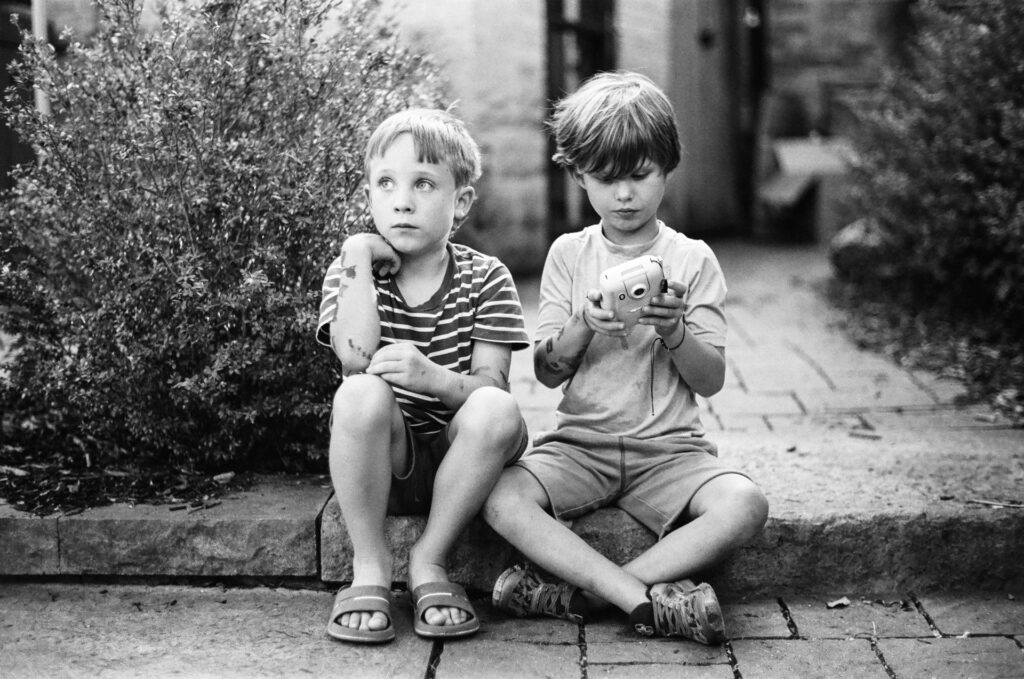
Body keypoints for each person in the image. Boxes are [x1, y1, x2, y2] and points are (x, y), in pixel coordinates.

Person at [482, 71, 769, 645]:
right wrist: (583, 326)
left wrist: (676, 333)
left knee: (746, 503)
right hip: (580, 446)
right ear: (579, 175)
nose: (625, 195)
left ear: (667, 167)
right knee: (497, 495)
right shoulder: (568, 254)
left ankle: (591, 595)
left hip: (670, 451)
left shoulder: (692, 259)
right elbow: (544, 370)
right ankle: (642, 601)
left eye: (640, 176)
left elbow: (710, 382)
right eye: (606, 179)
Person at [317, 108, 531, 643]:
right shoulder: (353, 274)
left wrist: (433, 377)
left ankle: (429, 561)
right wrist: (357, 256)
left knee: (498, 408)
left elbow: (491, 385)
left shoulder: (486, 278)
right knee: (360, 391)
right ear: (369, 197)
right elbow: (354, 357)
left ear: (460, 202)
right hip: (388, 462)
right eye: (385, 183)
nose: (402, 200)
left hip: (465, 463)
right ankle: (369, 566)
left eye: (423, 183)